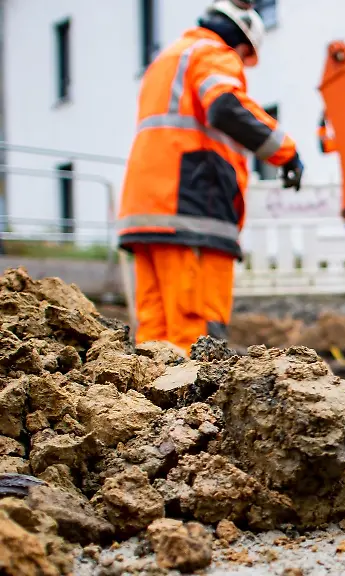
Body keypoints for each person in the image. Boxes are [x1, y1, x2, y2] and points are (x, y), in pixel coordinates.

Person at [117, 0, 304, 352]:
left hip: (146, 213)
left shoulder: (166, 60)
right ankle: (195, 408)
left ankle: (152, 407)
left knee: (154, 338)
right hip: (191, 209)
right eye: (245, 52)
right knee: (197, 334)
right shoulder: (213, 53)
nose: (242, 60)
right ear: (239, 36)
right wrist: (285, 151)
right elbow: (225, 106)